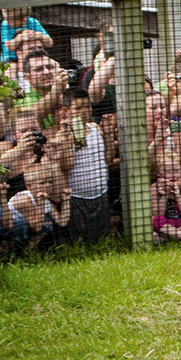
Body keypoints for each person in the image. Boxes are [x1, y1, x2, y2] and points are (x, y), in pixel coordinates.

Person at [62, 87, 111, 245]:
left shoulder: (96, 130)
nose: (84, 111)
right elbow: (66, 166)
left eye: (87, 107)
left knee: (101, 235)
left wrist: (108, 134)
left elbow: (106, 158)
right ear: (66, 111)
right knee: (79, 238)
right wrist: (69, 144)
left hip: (100, 192)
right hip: (77, 196)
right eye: (78, 108)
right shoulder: (65, 135)